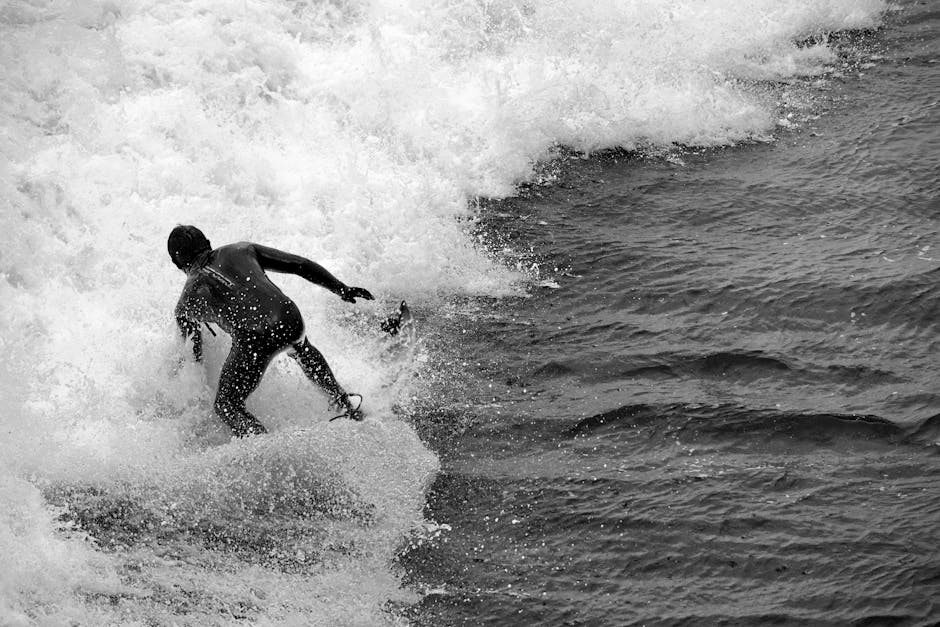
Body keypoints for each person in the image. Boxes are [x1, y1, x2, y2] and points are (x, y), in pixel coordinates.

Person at [168, 225, 374, 436]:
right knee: (301, 347)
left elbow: (195, 361)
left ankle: (267, 447)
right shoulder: (241, 249)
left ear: (177, 264)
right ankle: (347, 406)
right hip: (289, 316)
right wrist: (340, 288)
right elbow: (299, 265)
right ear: (208, 244)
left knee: (226, 405)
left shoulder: (186, 304)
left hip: (255, 338)